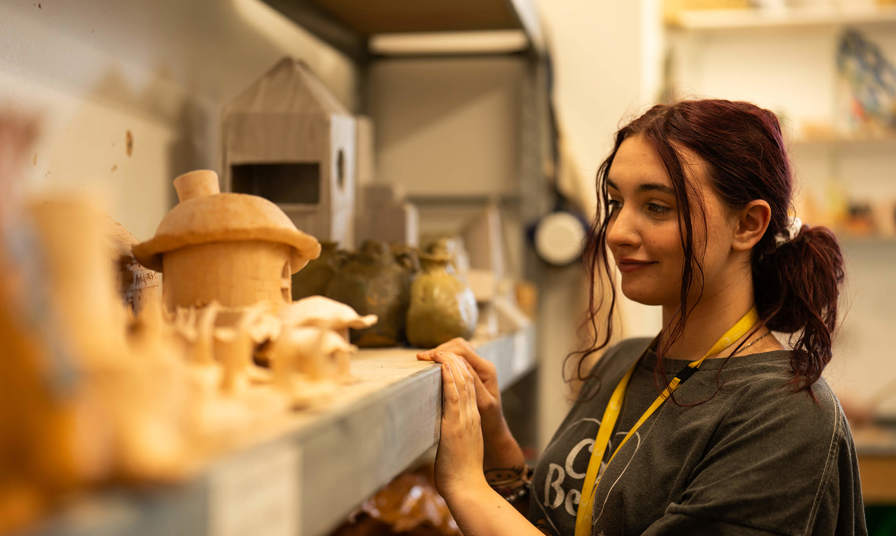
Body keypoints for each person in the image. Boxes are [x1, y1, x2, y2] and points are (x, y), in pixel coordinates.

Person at [417, 99, 866, 535]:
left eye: (656, 207)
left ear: (748, 224)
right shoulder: (623, 363)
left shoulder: (786, 415)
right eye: (615, 203)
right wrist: (496, 444)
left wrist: (466, 487)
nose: (616, 232)